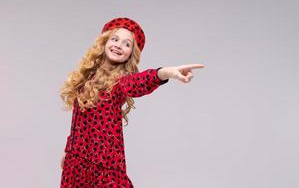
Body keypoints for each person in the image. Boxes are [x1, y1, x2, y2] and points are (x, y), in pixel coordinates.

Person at [59, 17, 204, 187]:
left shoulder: (121, 82)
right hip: (76, 161)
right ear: (104, 42)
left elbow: (140, 82)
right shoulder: (86, 78)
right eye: (115, 39)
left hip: (104, 164)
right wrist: (68, 150)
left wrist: (164, 73)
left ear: (131, 54)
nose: (119, 45)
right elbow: (78, 121)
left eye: (127, 44)